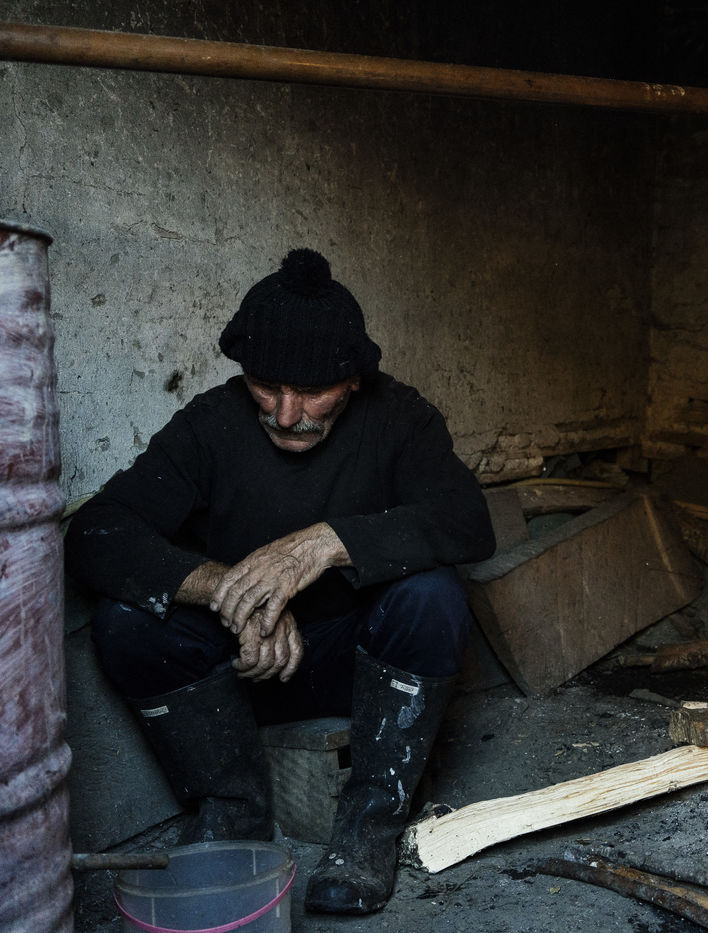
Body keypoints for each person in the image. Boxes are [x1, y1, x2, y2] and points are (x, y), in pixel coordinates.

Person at [65, 248, 496, 915]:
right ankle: (231, 810)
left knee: (432, 595)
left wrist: (325, 544)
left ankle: (369, 827)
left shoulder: (401, 419)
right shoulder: (211, 423)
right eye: (267, 386)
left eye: (312, 391)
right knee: (125, 621)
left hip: (361, 668)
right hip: (245, 673)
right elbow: (96, 533)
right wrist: (229, 592)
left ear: (353, 380)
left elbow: (468, 521)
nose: (287, 414)